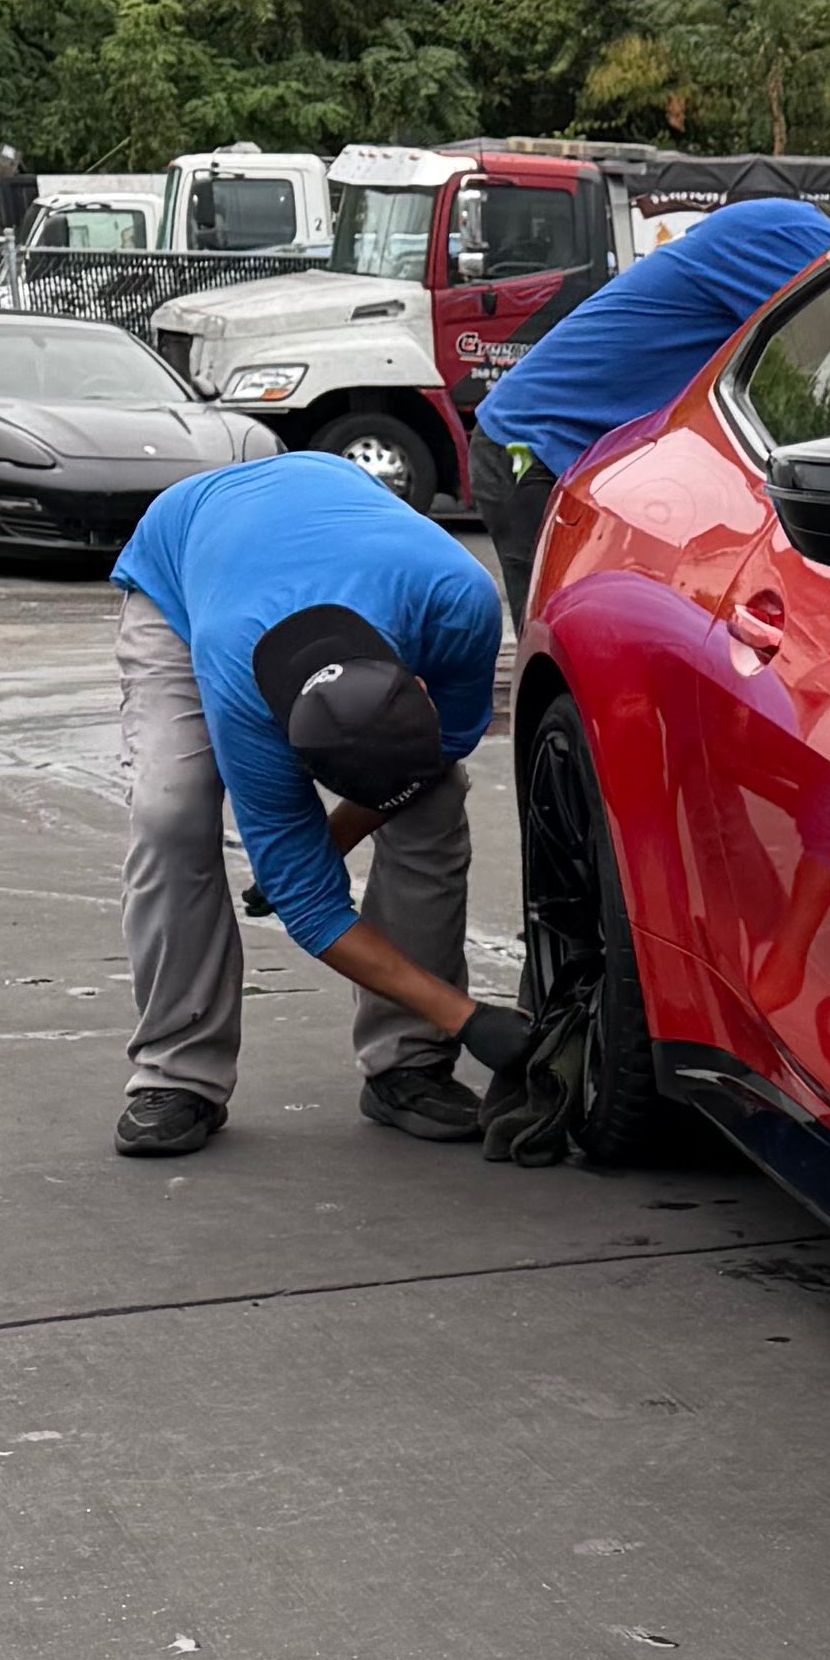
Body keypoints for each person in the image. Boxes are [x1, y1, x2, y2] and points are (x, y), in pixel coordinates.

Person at [109, 444, 518, 1162]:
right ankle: (178, 1074)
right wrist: (472, 1017)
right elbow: (314, 913)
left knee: (432, 806)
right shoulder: (245, 695)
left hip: (324, 510)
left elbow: (439, 752)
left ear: (417, 685)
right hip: (186, 572)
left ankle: (409, 1065)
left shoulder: (460, 604)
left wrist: (320, 847)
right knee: (172, 812)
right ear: (293, 750)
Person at [466, 189, 830, 610]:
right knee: (566, 636)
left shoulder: (770, 228)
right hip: (532, 448)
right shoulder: (796, 235)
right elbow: (818, 364)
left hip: (535, 437)